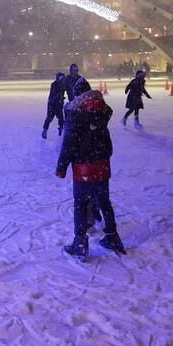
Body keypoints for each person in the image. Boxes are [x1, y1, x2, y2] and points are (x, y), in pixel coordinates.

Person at [56, 89, 125, 261]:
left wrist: (61, 167)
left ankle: (80, 242)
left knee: (80, 203)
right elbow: (108, 146)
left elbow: (69, 144)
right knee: (104, 202)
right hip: (102, 167)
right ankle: (112, 236)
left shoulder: (76, 115)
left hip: (83, 168)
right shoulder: (101, 114)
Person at [41, 71, 66, 140]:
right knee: (49, 118)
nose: (62, 80)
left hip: (59, 104)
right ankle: (45, 130)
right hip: (52, 104)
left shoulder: (63, 84)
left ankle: (61, 129)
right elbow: (54, 94)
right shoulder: (54, 84)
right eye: (61, 78)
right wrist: (59, 98)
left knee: (61, 118)